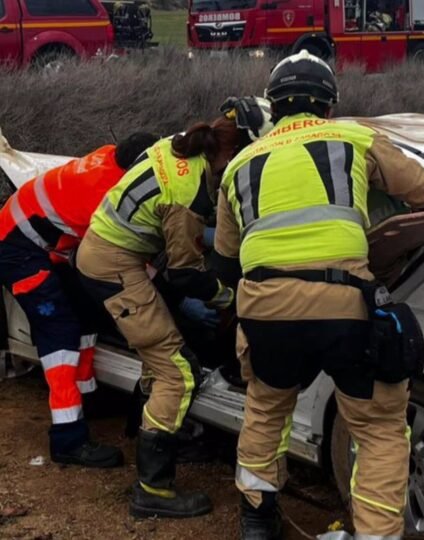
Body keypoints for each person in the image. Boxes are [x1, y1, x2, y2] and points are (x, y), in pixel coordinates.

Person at [214, 50, 424, 539]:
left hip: (264, 308)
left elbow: (223, 257)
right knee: (379, 430)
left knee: (265, 409)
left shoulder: (239, 164)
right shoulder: (353, 137)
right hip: (343, 306)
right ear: (328, 105)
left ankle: (257, 521)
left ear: (273, 107)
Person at [76, 96, 273, 520]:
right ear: (234, 152)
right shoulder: (186, 190)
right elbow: (184, 273)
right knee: (177, 370)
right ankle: (152, 488)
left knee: (158, 358)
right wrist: (231, 298)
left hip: (114, 251)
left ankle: (160, 431)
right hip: (112, 263)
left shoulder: (180, 145)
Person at [0, 133, 158, 468]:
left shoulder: (110, 156)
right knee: (60, 333)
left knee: (85, 314)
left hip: (40, 243)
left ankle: (89, 400)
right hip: (17, 251)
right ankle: (68, 438)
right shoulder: (101, 195)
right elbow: (115, 252)